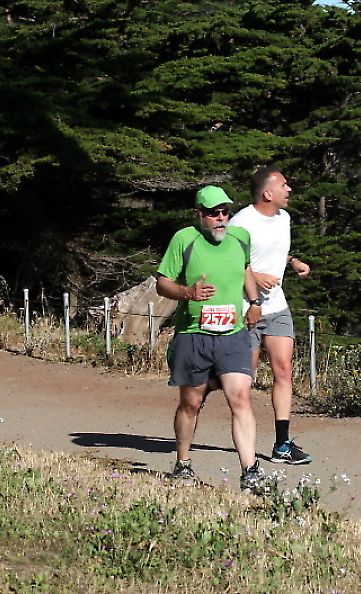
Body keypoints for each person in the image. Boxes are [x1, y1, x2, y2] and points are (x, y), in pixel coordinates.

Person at [156, 185, 264, 493]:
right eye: (213, 213)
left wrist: (254, 302)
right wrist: (187, 292)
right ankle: (183, 464)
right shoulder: (184, 239)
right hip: (194, 335)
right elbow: (162, 283)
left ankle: (250, 471)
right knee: (191, 403)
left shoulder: (240, 237)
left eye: (225, 212)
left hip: (232, 335)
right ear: (198, 215)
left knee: (240, 397)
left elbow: (246, 269)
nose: (220, 218)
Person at [229, 166, 312, 465]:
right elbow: (228, 263)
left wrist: (292, 261)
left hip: (276, 306)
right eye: (284, 185)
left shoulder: (284, 218)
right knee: (244, 380)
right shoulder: (241, 222)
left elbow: (274, 251)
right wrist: (255, 276)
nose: (289, 189)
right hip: (246, 309)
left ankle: (282, 444)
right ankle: (246, 445)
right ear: (267, 193)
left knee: (284, 371)